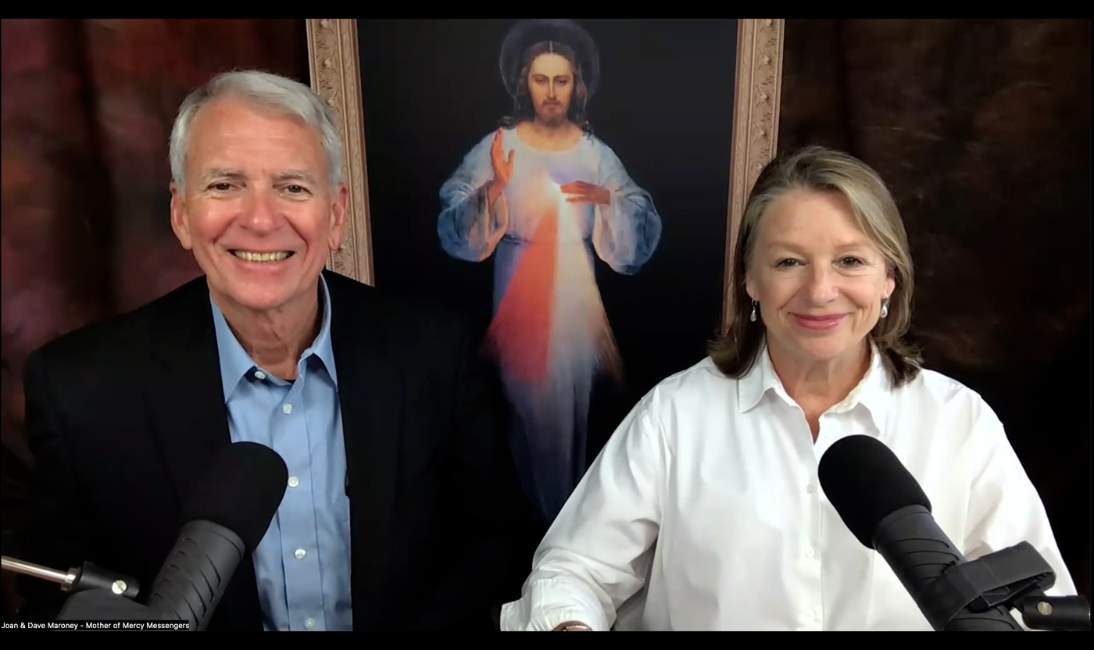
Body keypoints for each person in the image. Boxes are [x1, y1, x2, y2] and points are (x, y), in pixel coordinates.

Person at [18, 70, 533, 631]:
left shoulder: (437, 356)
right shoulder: (80, 392)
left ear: (336, 214)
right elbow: (55, 606)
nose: (261, 220)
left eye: (292, 188)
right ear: (181, 214)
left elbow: (492, 555)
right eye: (224, 185)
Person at [499, 145, 1078, 630]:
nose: (820, 291)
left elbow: (1039, 604)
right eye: (788, 263)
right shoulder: (675, 415)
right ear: (749, 279)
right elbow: (572, 574)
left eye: (850, 261)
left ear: (889, 278)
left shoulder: (961, 423)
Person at [438, 19, 662, 523]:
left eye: (562, 80)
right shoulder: (501, 144)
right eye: (542, 79)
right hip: (519, 282)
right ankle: (533, 522)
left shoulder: (594, 152)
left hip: (574, 288)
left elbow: (638, 218)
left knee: (572, 404)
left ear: (577, 85)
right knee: (525, 404)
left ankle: (563, 521)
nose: (552, 92)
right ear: (526, 83)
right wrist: (495, 186)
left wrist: (604, 197)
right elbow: (454, 216)